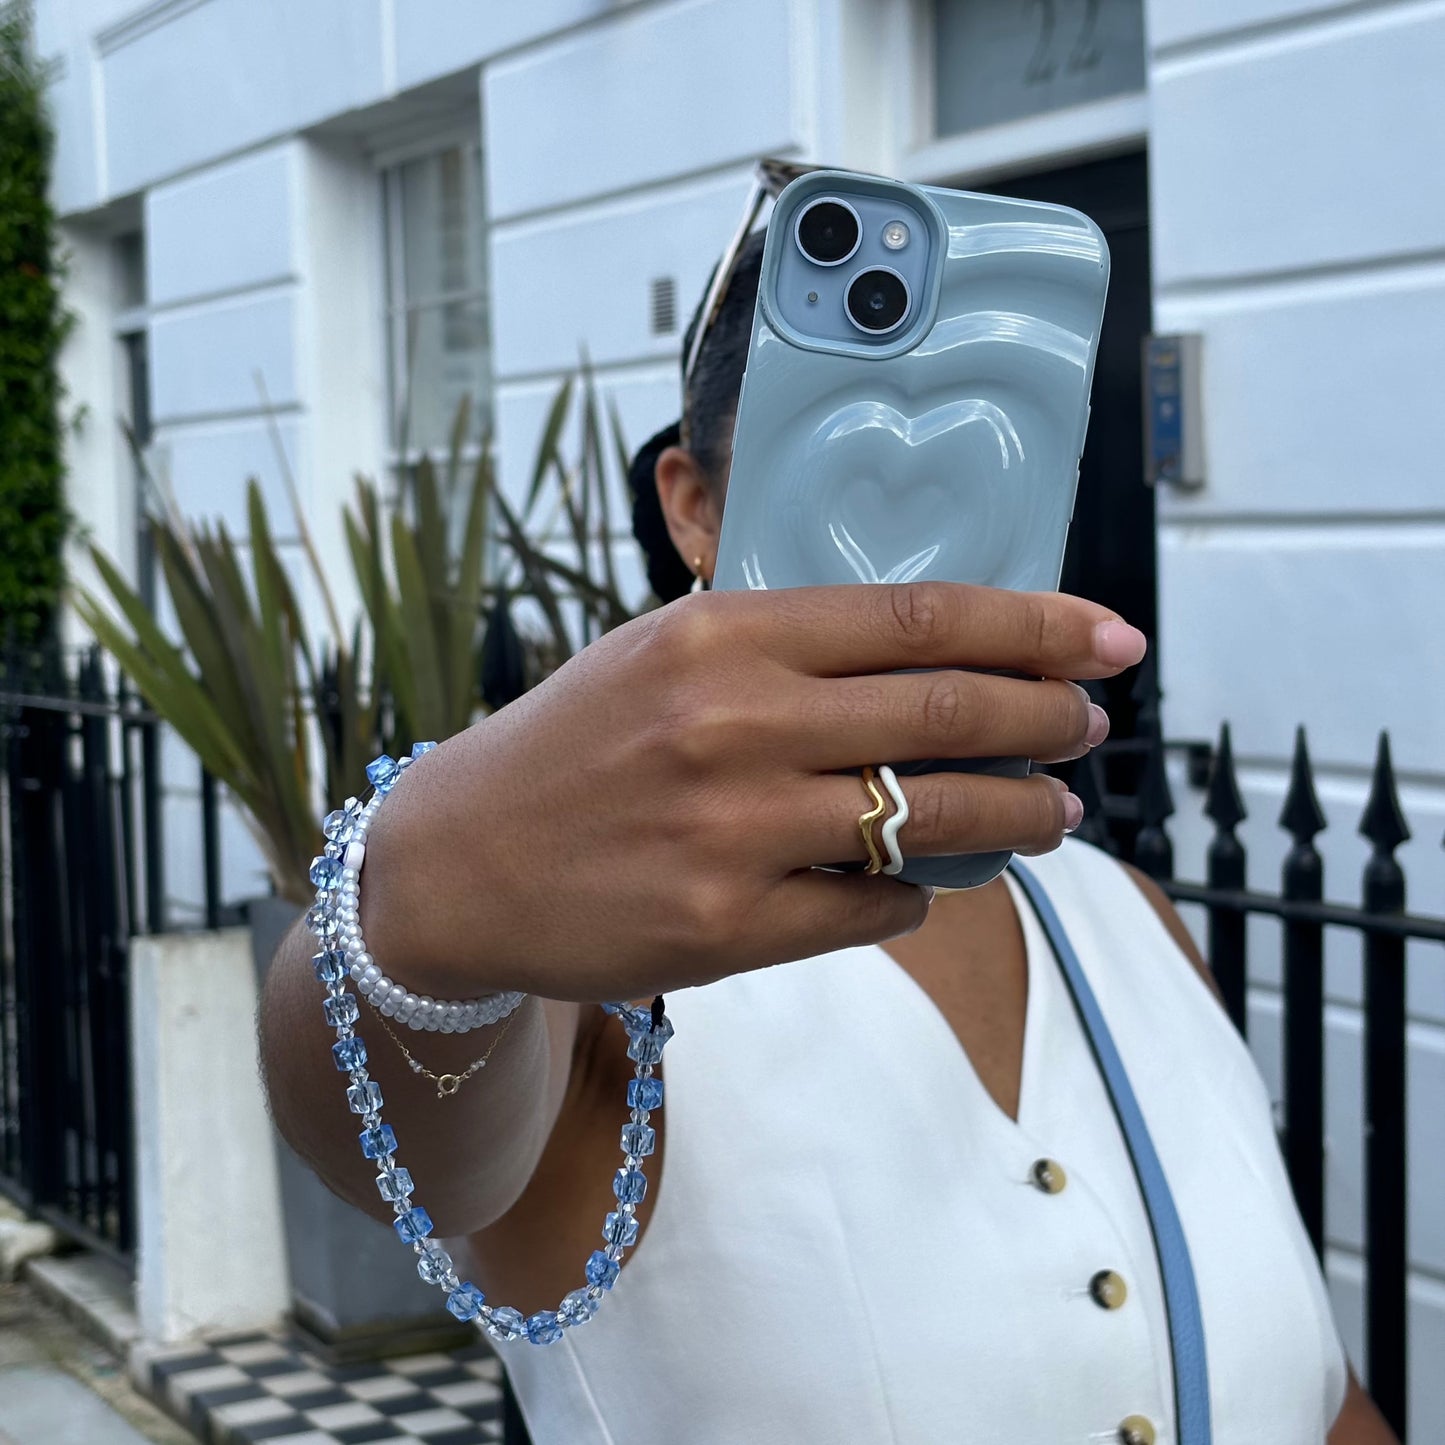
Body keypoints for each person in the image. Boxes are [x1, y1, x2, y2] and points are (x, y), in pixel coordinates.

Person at [261, 228, 1393, 1443]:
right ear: (693, 508)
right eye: (844, 448)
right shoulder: (597, 961)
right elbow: (412, 1147)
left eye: (985, 452)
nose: (915, 523)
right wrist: (427, 900)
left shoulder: (1130, 916)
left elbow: (1319, 1396)